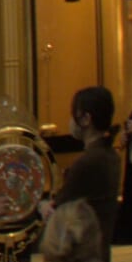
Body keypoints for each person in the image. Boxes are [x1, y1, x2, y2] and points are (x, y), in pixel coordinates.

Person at [54, 86, 121, 230]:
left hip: (85, 246)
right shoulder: (111, 155)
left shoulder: (88, 162)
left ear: (86, 119)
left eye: (73, 115)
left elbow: (60, 205)